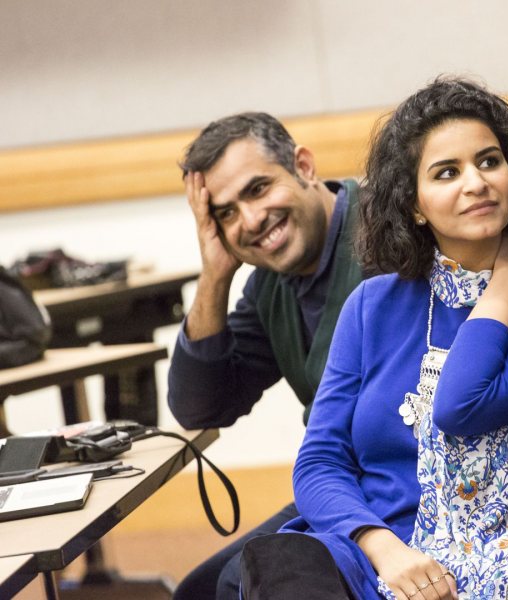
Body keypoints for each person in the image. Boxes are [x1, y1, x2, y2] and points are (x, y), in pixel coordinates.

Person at [244, 77, 508, 600]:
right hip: (380, 556)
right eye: (447, 172)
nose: (477, 182)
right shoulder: (372, 307)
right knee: (277, 569)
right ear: (415, 204)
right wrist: (380, 545)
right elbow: (319, 462)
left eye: (489, 161)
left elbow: (460, 403)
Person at [167, 112, 365, 599]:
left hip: (405, 488)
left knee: (246, 582)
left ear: (303, 165)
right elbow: (202, 406)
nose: (251, 221)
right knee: (198, 591)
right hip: (340, 489)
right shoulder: (269, 285)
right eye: (226, 213)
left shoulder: (388, 232)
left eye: (257, 190)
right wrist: (215, 273)